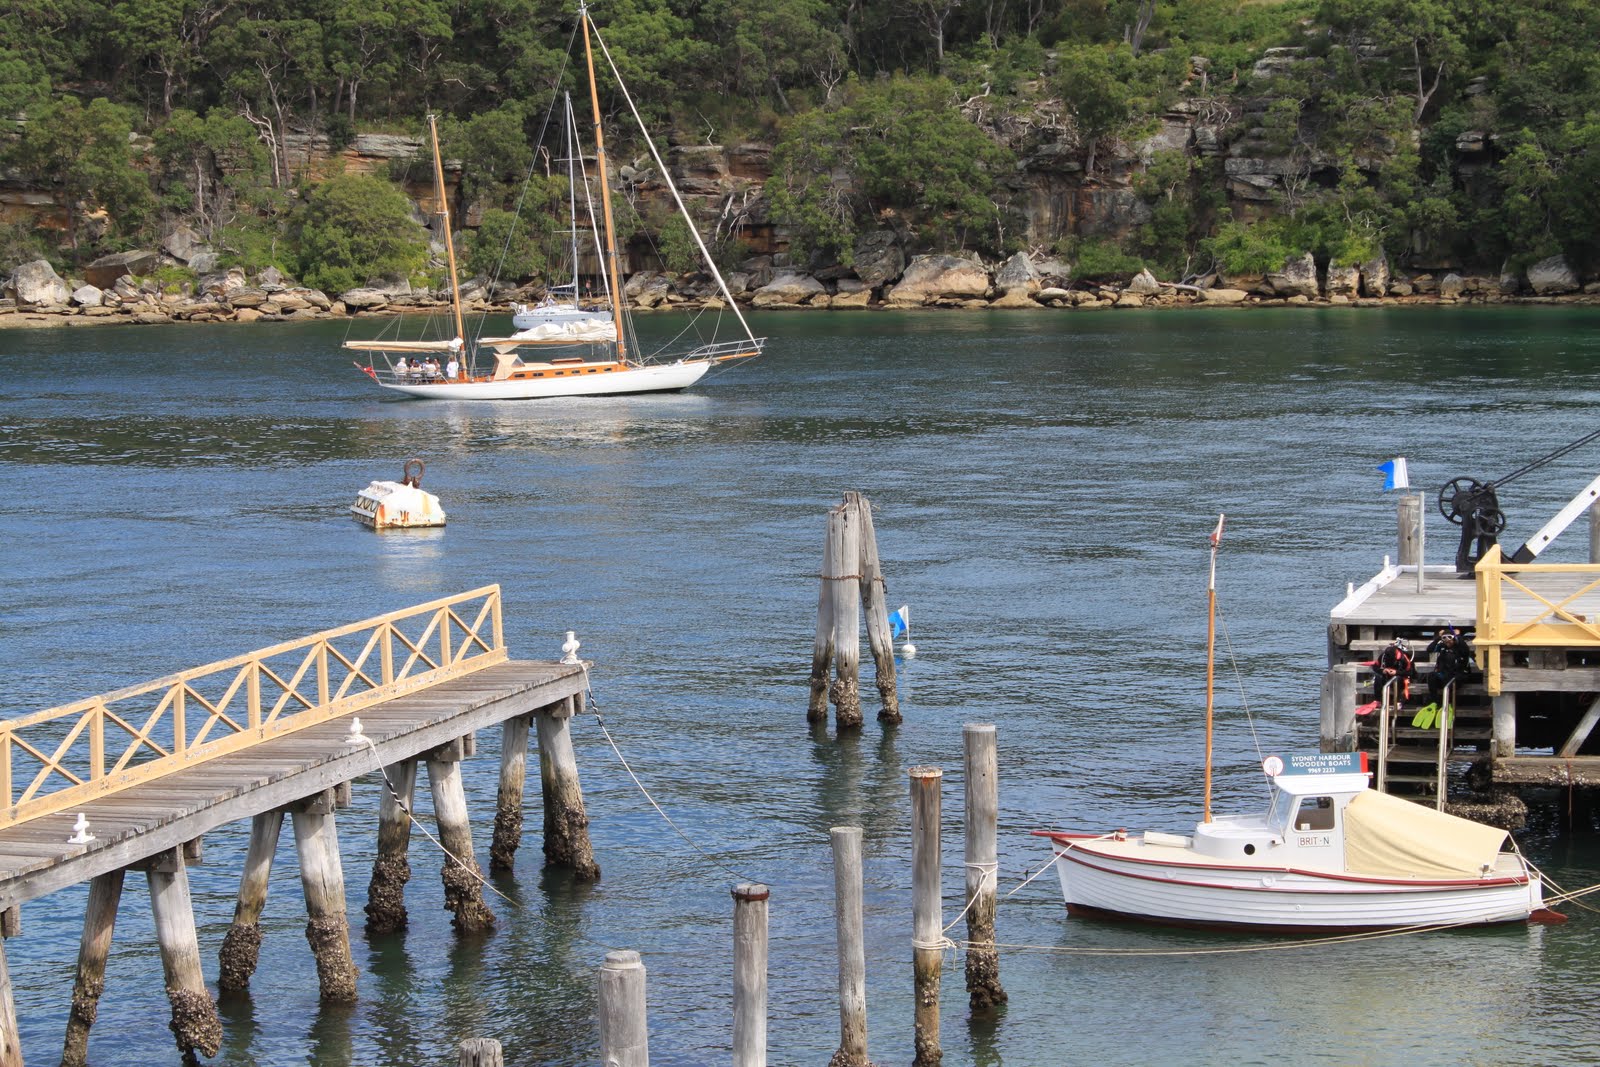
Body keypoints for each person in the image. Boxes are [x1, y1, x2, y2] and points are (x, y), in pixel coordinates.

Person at [1426, 626, 1474, 704]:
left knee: (1450, 680)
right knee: (1431, 676)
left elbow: (1466, 651)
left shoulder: (1460, 648)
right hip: (1444, 675)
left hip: (1456, 677)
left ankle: (1448, 703)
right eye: (1445, 639)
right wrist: (1438, 638)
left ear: (1454, 639)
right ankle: (1434, 701)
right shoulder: (1442, 647)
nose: (1448, 642)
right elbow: (1429, 650)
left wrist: (1458, 636)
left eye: (1450, 639)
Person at [1374, 637, 1414, 704]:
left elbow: (1411, 672)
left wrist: (1397, 672)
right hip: (1386, 676)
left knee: (1397, 679)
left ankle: (1398, 701)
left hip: (1400, 678)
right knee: (1378, 677)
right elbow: (1375, 667)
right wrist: (1383, 671)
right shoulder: (1383, 656)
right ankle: (1378, 700)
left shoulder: (1404, 658)